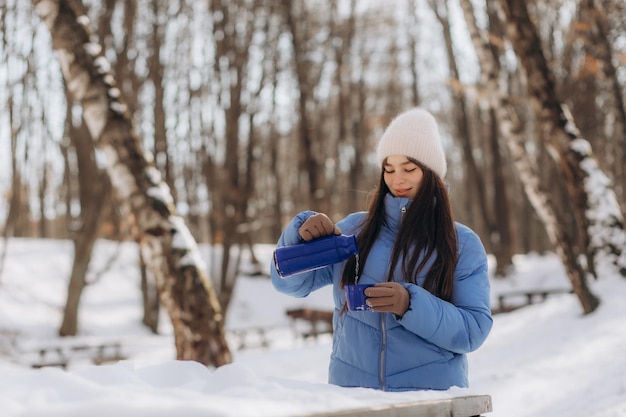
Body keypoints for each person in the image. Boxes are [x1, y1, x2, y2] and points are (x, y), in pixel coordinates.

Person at [270, 108, 493, 391]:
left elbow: (473, 329)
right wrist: (299, 236)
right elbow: (288, 283)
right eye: (389, 169)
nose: (397, 179)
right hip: (355, 399)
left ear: (432, 172)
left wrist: (410, 304)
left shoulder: (461, 242)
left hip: (428, 400)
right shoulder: (354, 231)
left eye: (409, 169)